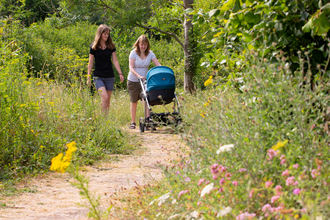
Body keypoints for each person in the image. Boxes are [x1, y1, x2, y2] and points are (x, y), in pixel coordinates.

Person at [87, 24, 124, 114]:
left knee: (107, 100)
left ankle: (105, 121)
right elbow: (90, 63)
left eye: (108, 34)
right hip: (98, 76)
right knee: (104, 97)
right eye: (105, 34)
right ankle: (102, 120)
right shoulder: (93, 47)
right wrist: (88, 77)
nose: (107, 36)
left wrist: (120, 73)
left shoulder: (111, 46)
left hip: (109, 76)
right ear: (100, 34)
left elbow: (115, 61)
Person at [127, 35, 161, 129]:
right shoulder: (133, 53)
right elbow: (131, 67)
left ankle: (147, 121)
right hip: (133, 80)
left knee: (146, 100)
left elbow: (157, 64)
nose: (143, 47)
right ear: (138, 44)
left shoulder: (150, 53)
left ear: (147, 45)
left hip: (145, 81)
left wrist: (162, 72)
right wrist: (138, 76)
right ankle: (133, 123)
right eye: (142, 44)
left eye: (145, 45)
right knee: (134, 102)